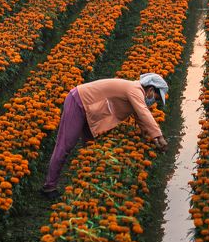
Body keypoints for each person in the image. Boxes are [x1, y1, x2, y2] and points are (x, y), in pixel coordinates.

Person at [40, 72, 169, 198]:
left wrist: (154, 139)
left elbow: (140, 118)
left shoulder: (136, 92)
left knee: (90, 147)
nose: (154, 102)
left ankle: (85, 183)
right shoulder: (134, 89)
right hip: (78, 101)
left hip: (91, 110)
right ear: (151, 89)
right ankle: (49, 187)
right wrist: (160, 137)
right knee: (65, 145)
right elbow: (143, 113)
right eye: (156, 98)